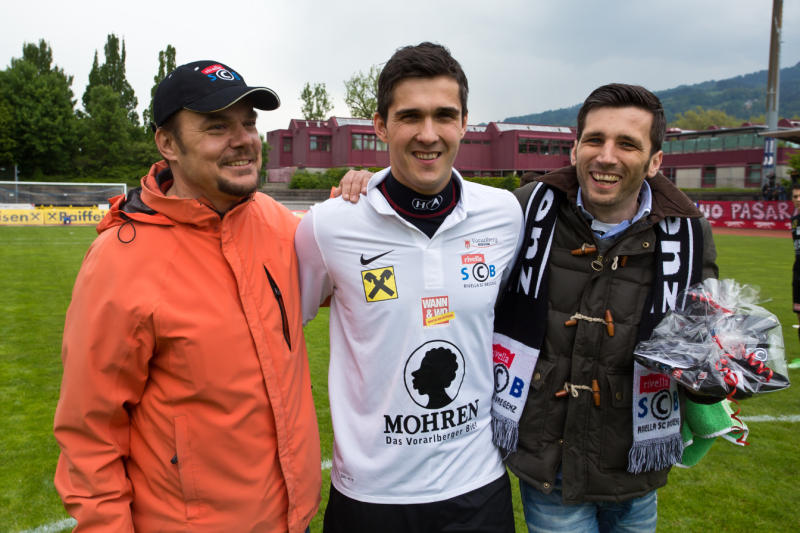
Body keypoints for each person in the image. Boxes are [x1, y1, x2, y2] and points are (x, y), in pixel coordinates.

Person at [53, 60, 321, 532]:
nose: (243, 140)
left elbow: (355, 263)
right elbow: (89, 431)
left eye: (249, 124)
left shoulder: (278, 223)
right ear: (168, 143)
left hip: (290, 521)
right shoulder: (119, 261)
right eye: (217, 127)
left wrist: (371, 196)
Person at [295, 42, 522, 533]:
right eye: (410, 116)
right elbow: (284, 329)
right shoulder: (329, 226)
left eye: (444, 116)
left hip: (478, 489)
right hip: (371, 497)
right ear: (380, 126)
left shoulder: (504, 215)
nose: (428, 134)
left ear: (465, 123)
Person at [492, 84, 720, 533]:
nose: (606, 156)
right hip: (551, 465)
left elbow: (699, 341)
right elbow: (445, 220)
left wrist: (726, 367)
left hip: (637, 463)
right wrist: (370, 186)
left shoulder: (690, 233)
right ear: (575, 148)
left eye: (627, 144)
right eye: (595, 140)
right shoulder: (524, 209)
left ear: (655, 161)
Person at [791, 183, 800, 339]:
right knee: (798, 310)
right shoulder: (794, 220)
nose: (798, 199)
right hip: (798, 269)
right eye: (795, 196)